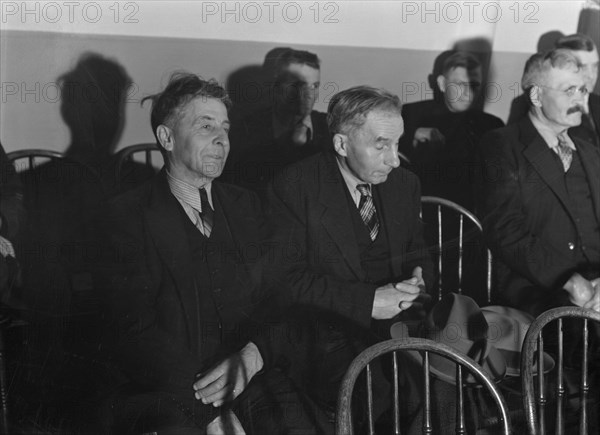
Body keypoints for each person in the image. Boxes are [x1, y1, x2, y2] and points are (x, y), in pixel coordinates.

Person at [98, 72, 329, 434]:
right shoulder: (126, 217)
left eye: (225, 127)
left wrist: (256, 354)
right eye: (206, 127)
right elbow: (132, 332)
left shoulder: (247, 206)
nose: (222, 139)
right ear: (167, 137)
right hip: (166, 389)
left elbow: (281, 297)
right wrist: (205, 409)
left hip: (248, 374)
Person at [266, 85, 434, 428]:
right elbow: (286, 281)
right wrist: (369, 301)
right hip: (325, 332)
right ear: (341, 144)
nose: (394, 158)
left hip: (399, 326)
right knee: (382, 397)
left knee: (447, 383)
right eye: (381, 145)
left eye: (397, 143)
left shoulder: (404, 183)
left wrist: (419, 278)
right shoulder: (295, 187)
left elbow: (418, 252)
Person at [481, 48, 600, 317]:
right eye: (569, 90)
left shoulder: (590, 152)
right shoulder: (501, 145)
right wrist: (570, 281)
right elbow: (504, 230)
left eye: (583, 90)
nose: (581, 101)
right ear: (536, 95)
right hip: (540, 286)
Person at [399, 51, 504, 211]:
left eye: (474, 85)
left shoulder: (492, 125)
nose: (468, 93)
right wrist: (413, 134)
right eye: (460, 84)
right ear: (442, 84)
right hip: (419, 212)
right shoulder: (411, 115)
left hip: (472, 217)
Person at [225, 48, 329, 198]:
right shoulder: (244, 131)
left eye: (314, 86)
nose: (308, 95)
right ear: (276, 85)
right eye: (297, 85)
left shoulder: (333, 128)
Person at [555, 33, 600, 147]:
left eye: (595, 66)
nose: (591, 75)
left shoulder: (597, 102)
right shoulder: (549, 107)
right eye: (583, 67)